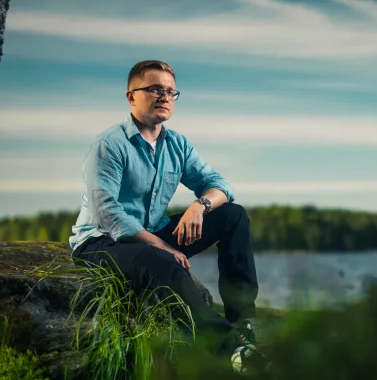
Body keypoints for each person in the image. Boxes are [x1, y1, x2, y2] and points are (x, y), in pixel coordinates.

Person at [68, 59, 267, 372]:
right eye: (155, 89)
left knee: (233, 216)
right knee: (162, 262)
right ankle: (231, 350)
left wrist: (199, 205)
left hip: (151, 233)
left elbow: (221, 186)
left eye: (171, 92)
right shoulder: (110, 145)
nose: (164, 97)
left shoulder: (177, 144)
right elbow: (106, 213)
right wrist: (162, 247)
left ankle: (242, 323)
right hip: (101, 242)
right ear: (131, 97)